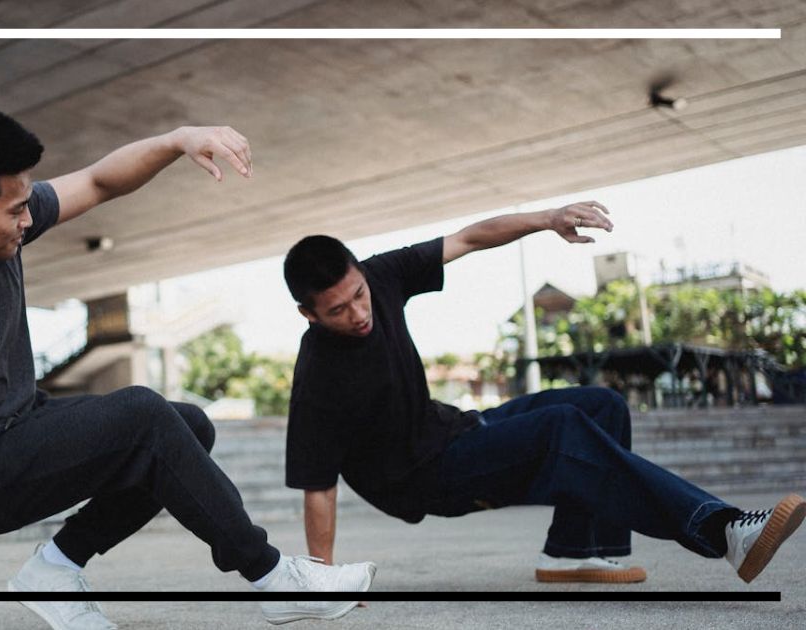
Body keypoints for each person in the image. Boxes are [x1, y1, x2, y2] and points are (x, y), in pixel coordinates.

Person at [0, 104, 375, 630]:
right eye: (16, 210)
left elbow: (97, 181)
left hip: (21, 426)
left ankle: (56, 568)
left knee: (188, 426)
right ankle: (274, 577)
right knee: (143, 414)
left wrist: (177, 139)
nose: (27, 219)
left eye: (27, 205)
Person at [280, 202, 804, 585]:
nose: (359, 313)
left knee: (600, 405)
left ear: (359, 273)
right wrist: (324, 582)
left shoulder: (380, 274)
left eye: (358, 295)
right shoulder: (318, 381)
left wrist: (548, 218)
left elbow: (470, 236)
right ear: (309, 314)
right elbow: (318, 488)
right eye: (337, 311)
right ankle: (723, 530)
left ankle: (578, 550)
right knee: (561, 428)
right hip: (421, 480)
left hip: (456, 431)